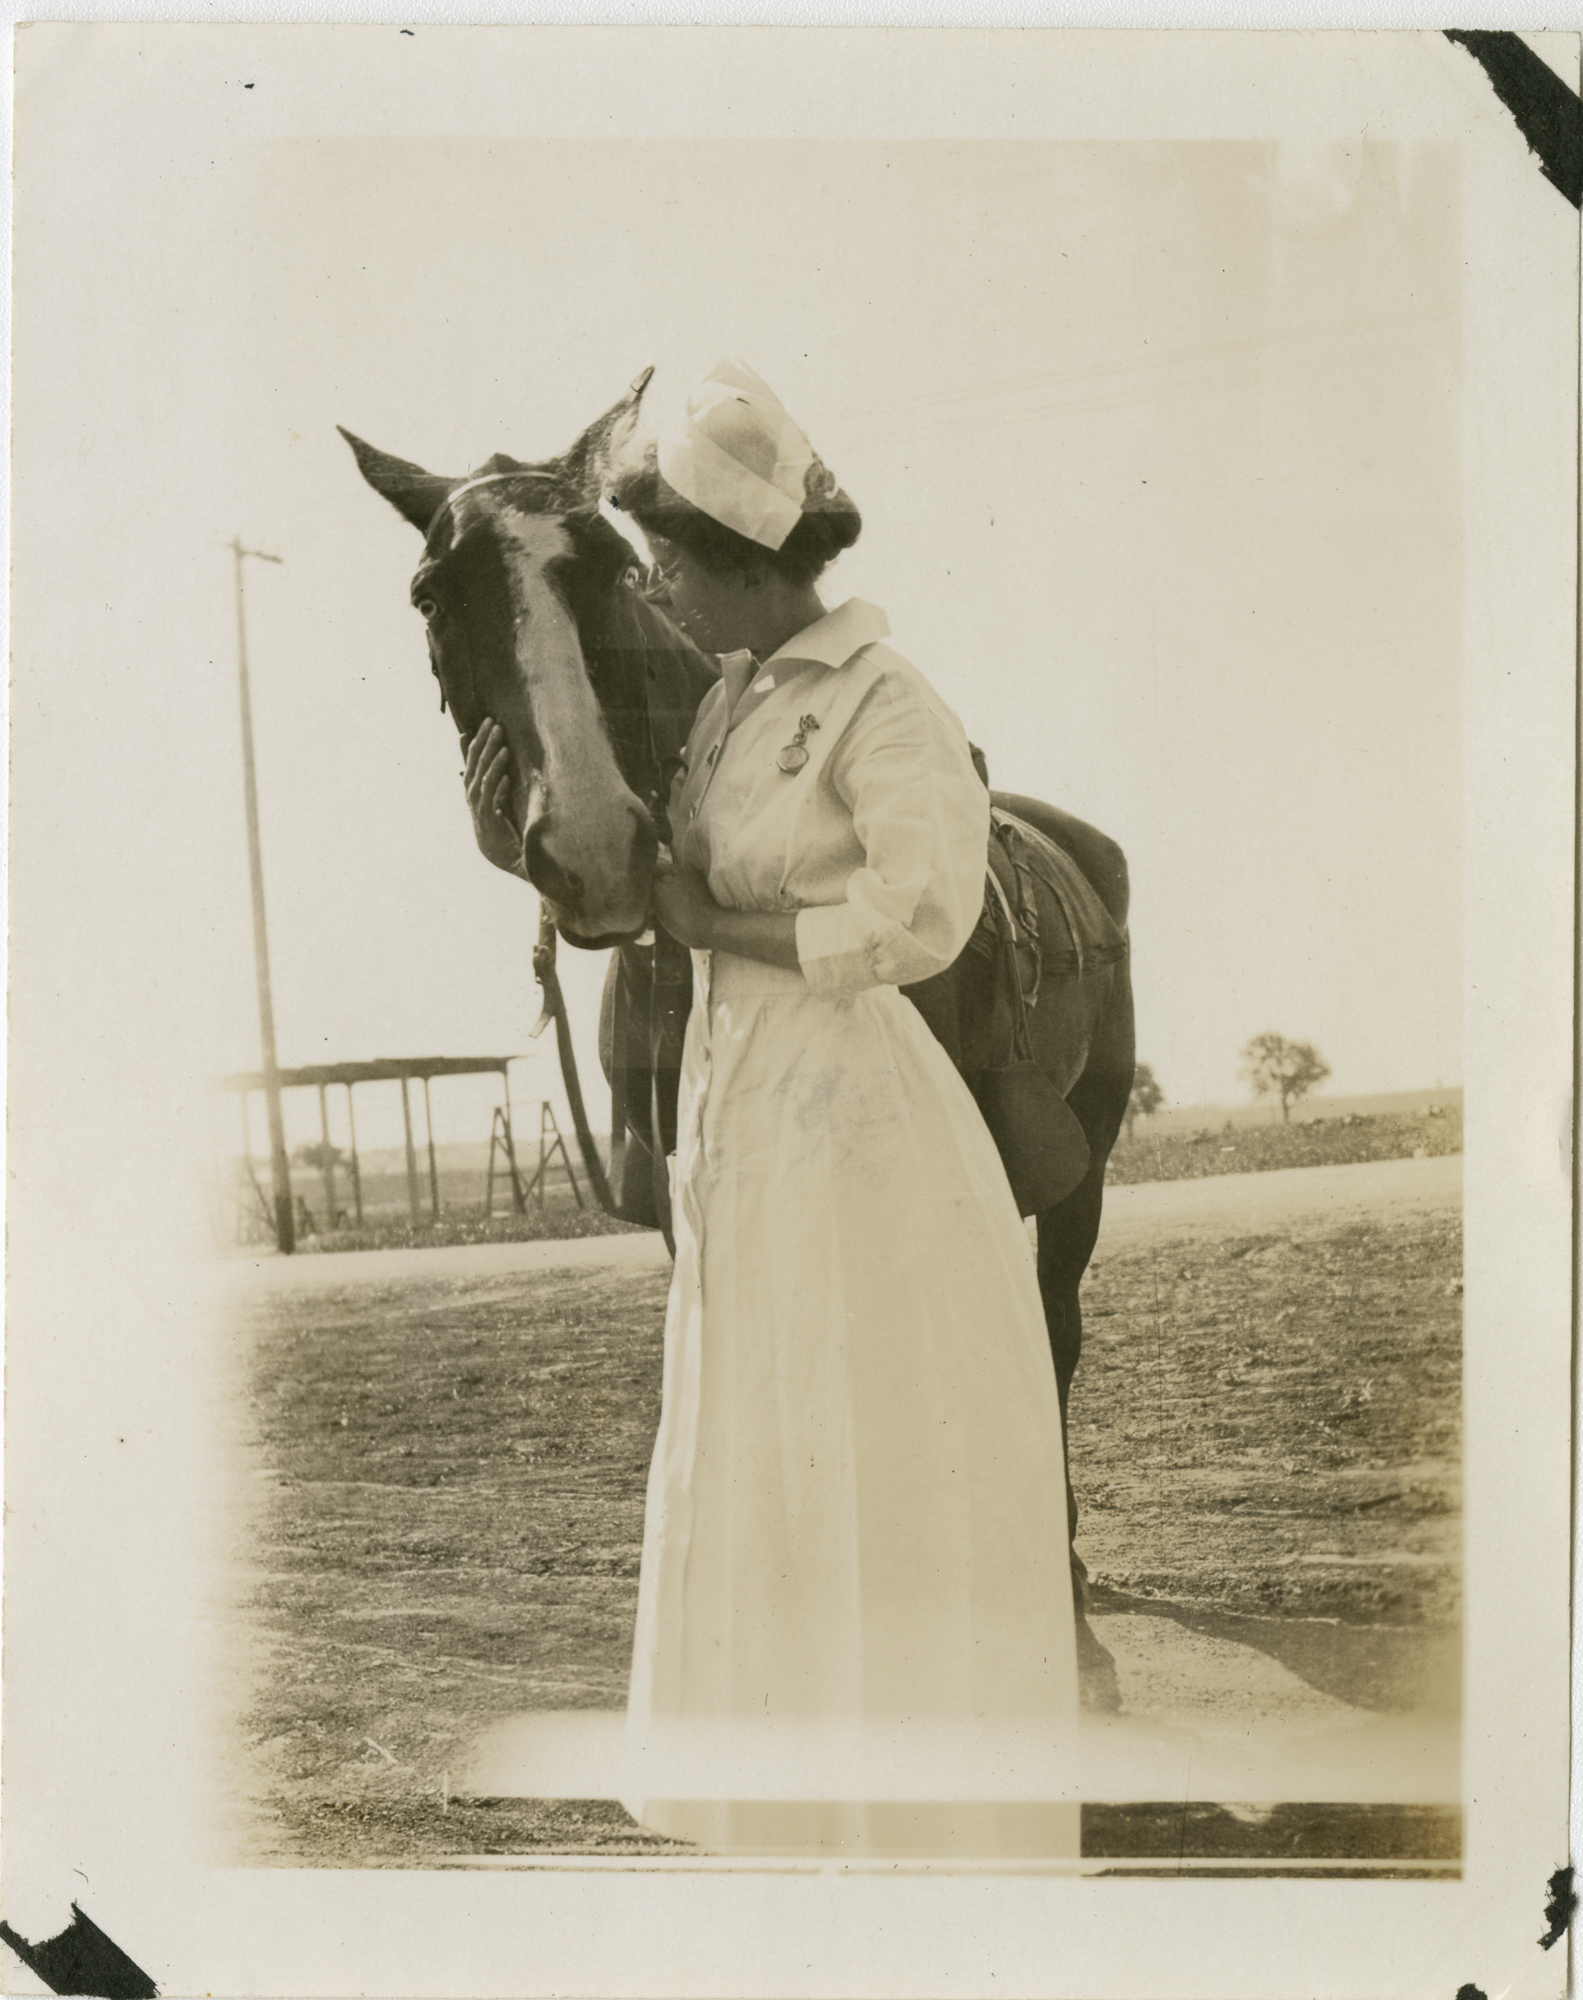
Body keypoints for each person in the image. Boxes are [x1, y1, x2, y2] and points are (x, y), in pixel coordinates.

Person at [470, 360, 1079, 1856]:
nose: (659, 585)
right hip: (747, 1124)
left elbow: (919, 918)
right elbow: (668, 881)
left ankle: (918, 1833)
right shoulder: (735, 705)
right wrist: (552, 860)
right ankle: (805, 1817)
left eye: (671, 559)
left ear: (746, 557)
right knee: (773, 1454)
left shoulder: (884, 699)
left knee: (867, 1449)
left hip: (859, 1125)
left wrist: (713, 926)